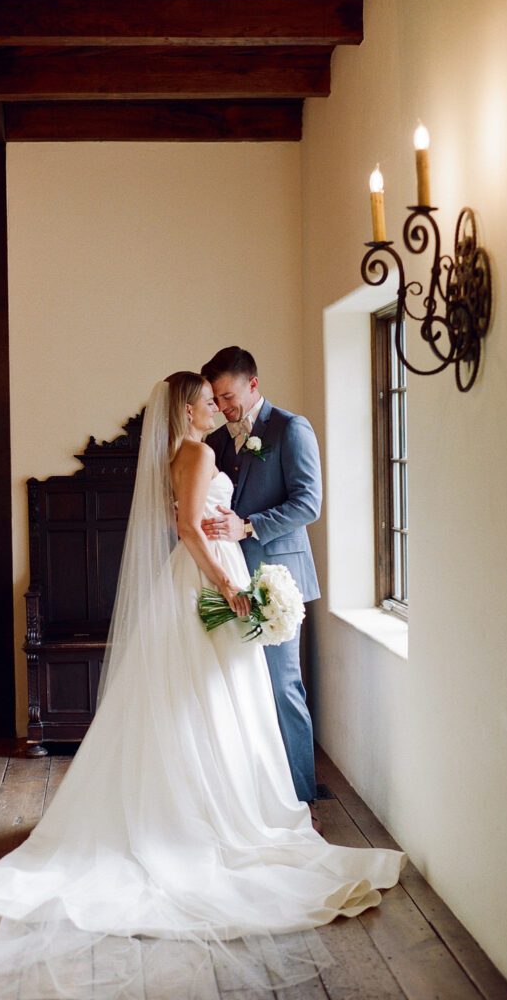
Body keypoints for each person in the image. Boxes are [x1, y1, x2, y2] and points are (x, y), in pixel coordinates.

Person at [0, 373, 405, 1000]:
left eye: (222, 399)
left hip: (208, 575)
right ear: (187, 408)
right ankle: (204, 817)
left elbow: (195, 522)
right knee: (209, 702)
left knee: (213, 704)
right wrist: (233, 589)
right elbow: (190, 530)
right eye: (206, 400)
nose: (216, 406)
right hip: (205, 582)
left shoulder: (188, 452)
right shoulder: (197, 452)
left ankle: (214, 803)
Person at [200, 347, 321, 819]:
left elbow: (308, 503)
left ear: (253, 384)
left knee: (282, 686)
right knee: (239, 689)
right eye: (216, 398)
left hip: (277, 579)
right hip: (228, 578)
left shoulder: (291, 428)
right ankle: (253, 795)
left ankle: (302, 796)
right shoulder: (216, 441)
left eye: (228, 396)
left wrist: (247, 526)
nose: (224, 406)